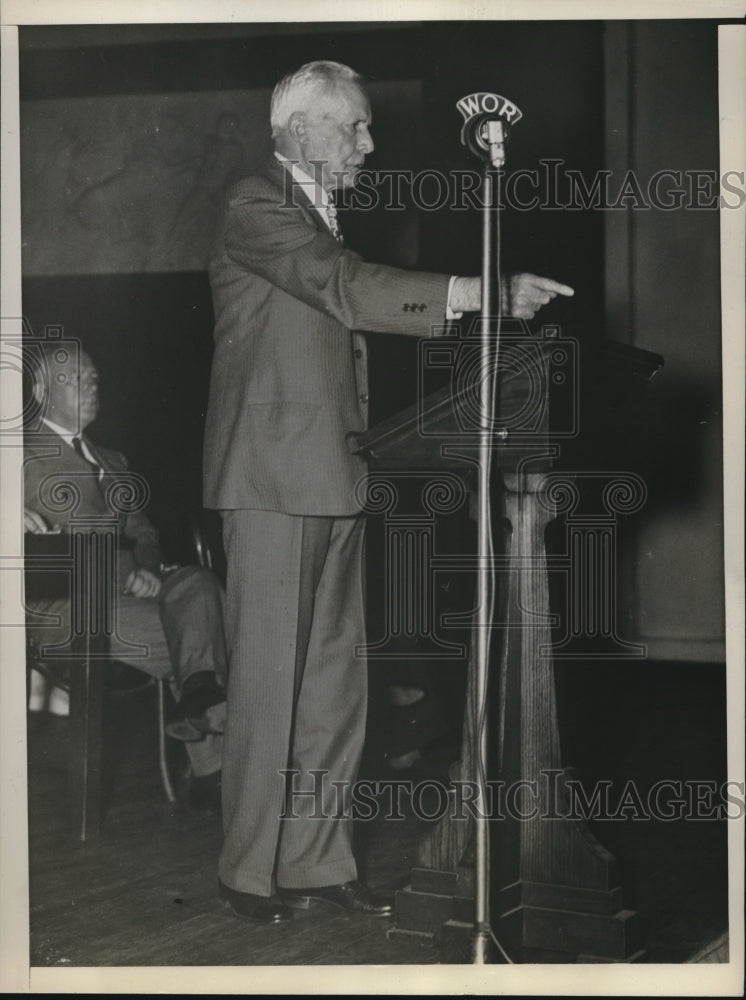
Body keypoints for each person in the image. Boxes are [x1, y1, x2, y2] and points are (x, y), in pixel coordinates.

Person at [203, 60, 573, 924]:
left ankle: (317, 863)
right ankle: (247, 871)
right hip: (267, 479)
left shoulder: (320, 211)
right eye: (355, 126)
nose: (370, 144)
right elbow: (343, 285)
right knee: (268, 683)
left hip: (337, 472)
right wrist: (479, 292)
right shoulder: (253, 203)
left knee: (335, 684)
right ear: (300, 128)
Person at [24, 343, 228, 812]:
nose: (91, 386)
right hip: (65, 608)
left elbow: (143, 532)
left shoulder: (113, 459)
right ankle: (212, 762)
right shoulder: (17, 450)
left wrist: (148, 569)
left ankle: (201, 701)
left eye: (93, 378)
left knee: (197, 585)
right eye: (74, 378)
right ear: (39, 390)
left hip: (130, 600)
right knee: (216, 626)